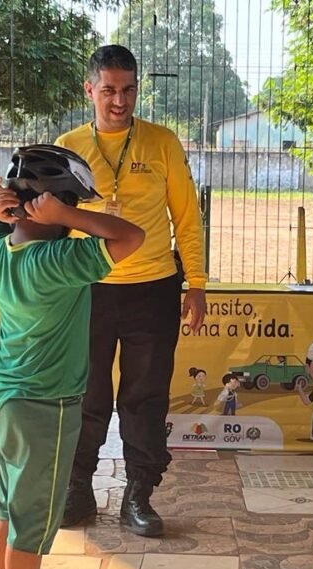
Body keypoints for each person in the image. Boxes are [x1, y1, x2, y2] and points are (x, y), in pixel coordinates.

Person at [0, 145, 144, 569]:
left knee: (9, 510)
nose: (72, 220)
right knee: (31, 524)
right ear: (54, 206)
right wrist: (69, 215)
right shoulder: (59, 260)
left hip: (6, 399)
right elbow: (132, 236)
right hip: (46, 409)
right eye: (71, 206)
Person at [56, 44, 207, 536]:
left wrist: (197, 284)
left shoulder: (162, 142)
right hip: (87, 289)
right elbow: (52, 223)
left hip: (153, 289)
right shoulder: (69, 146)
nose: (119, 101)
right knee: (86, 393)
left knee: (145, 397)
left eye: (128, 90)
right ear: (89, 90)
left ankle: (139, 494)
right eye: (109, 91)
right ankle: (78, 489)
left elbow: (187, 218)